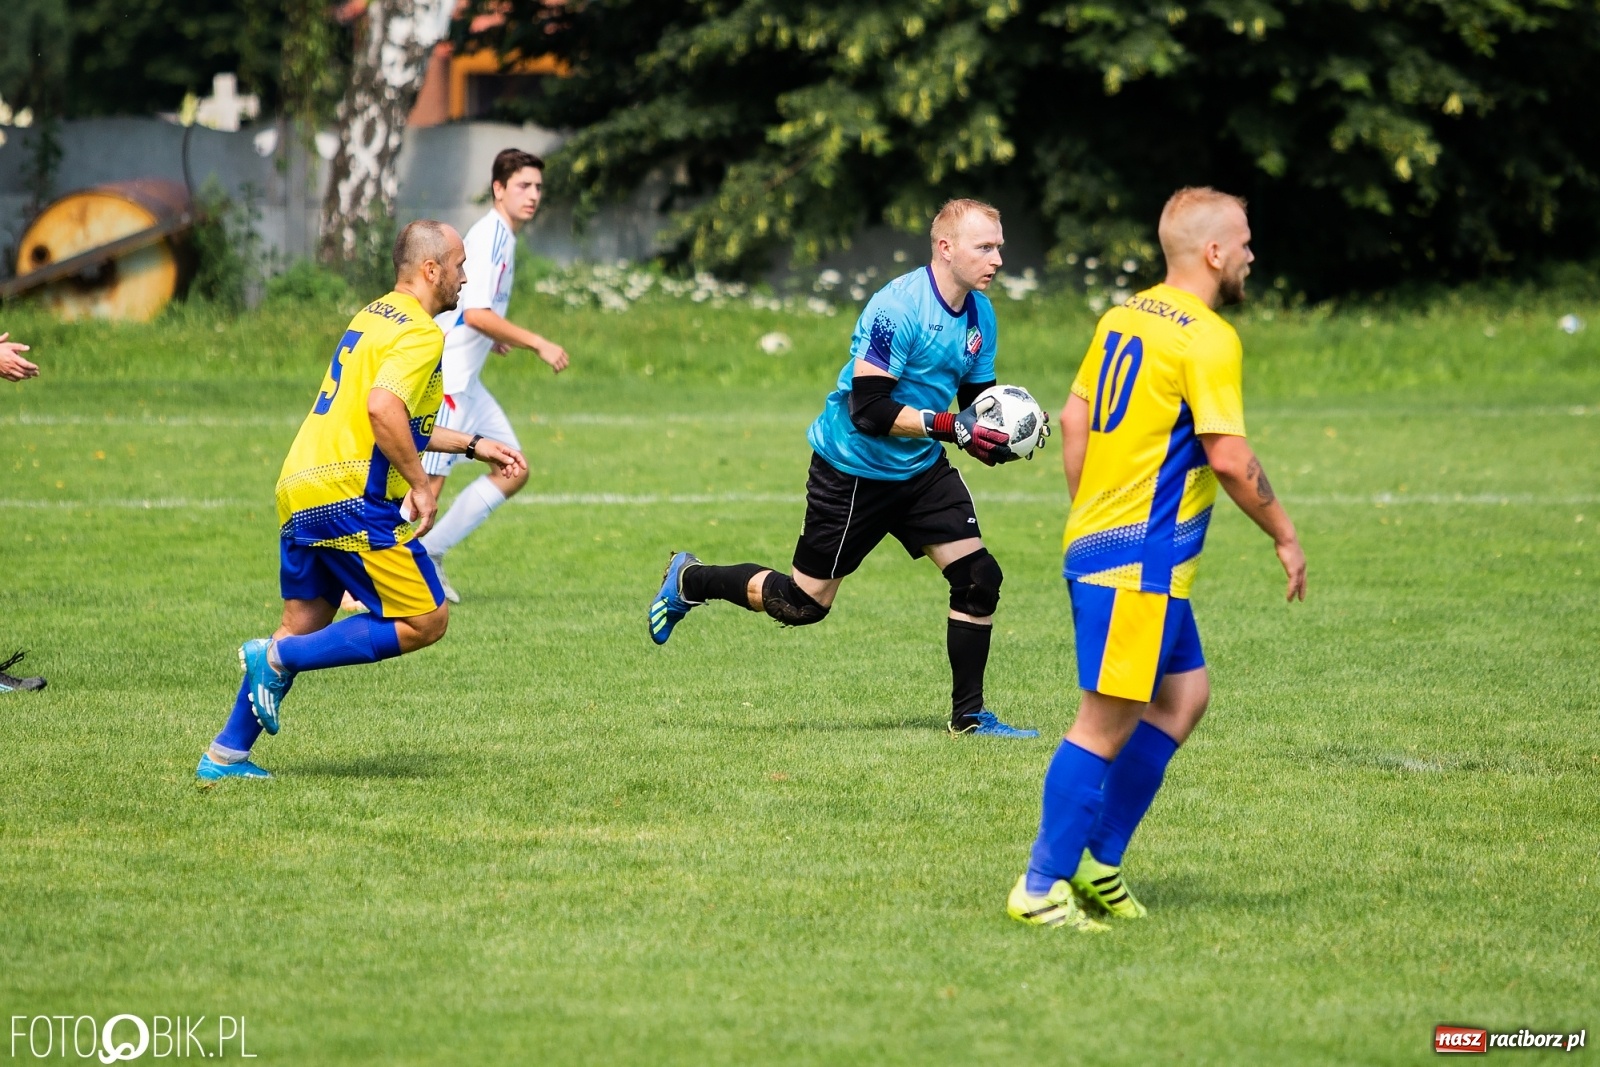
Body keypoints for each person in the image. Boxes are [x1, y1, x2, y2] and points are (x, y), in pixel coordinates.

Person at [1006, 187, 1307, 931]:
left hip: (1127, 554)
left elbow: (1073, 417)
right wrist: (1284, 532)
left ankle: (1098, 861)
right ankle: (1040, 885)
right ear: (1214, 252)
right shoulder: (1208, 338)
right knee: (1102, 724)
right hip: (1134, 562)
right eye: (1243, 241)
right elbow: (1228, 457)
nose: (1250, 254)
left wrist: (1090, 511)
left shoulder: (1125, 315)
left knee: (1182, 698)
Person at [648, 198, 1045, 738]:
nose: (997, 259)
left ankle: (969, 719)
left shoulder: (980, 314)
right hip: (853, 469)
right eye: (985, 247)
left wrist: (1000, 434)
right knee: (802, 604)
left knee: (979, 578)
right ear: (946, 248)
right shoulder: (896, 308)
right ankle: (691, 579)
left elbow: (976, 405)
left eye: (999, 247)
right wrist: (953, 427)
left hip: (919, 470)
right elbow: (869, 409)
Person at [196, 220, 527, 784]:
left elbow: (392, 419)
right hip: (351, 496)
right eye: (459, 266)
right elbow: (382, 410)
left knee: (302, 622)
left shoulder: (373, 316)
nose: (465, 278)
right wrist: (420, 486)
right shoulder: (421, 332)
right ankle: (274, 657)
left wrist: (472, 445)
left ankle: (224, 755)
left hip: (302, 485)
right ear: (431, 269)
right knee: (426, 618)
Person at [413, 148, 569, 602]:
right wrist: (536, 343)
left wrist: (492, 335)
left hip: (468, 380)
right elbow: (477, 313)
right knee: (426, 489)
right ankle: (366, 583)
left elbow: (472, 309)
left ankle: (431, 553)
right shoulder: (491, 235)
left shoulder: (503, 236)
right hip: (450, 380)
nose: (533, 195)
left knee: (513, 467)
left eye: (538, 187)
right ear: (499, 189)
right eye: (523, 186)